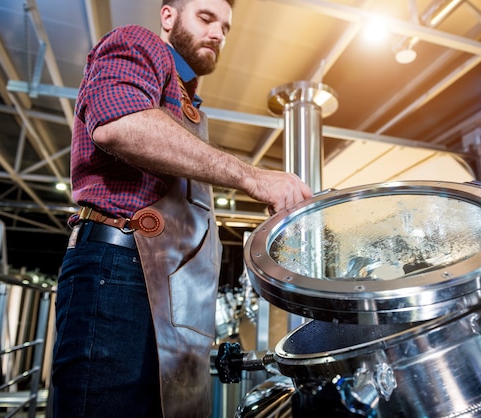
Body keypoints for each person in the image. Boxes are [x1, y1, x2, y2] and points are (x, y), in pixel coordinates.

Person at [51, 0, 312, 416]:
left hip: (164, 290)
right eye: (206, 18)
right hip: (120, 270)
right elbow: (120, 122)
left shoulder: (186, 100)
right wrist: (254, 177)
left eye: (225, 27)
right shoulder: (138, 42)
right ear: (169, 17)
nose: (217, 34)